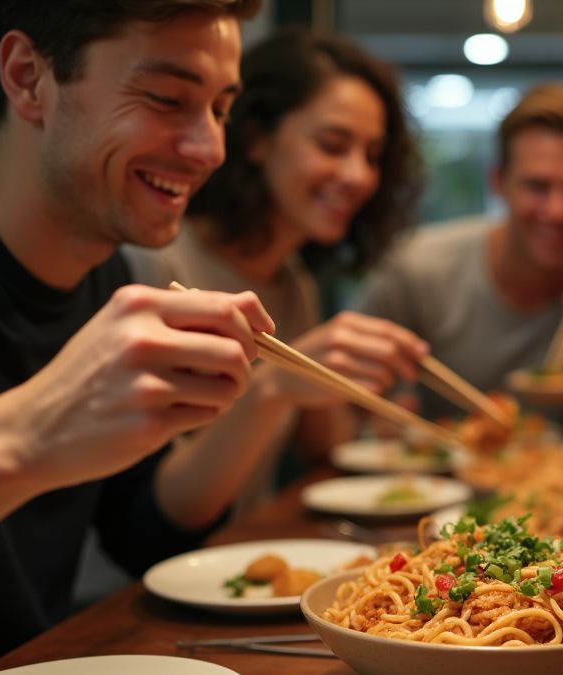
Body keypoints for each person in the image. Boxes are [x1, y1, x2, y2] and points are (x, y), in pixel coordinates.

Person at [0, 1, 277, 670]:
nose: (211, 149)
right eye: (168, 98)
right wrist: (25, 435)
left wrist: (266, 392)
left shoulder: (111, 277)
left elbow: (144, 533)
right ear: (26, 77)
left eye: (221, 109)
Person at [123, 28, 426, 512]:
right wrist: (274, 386)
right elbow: (159, 514)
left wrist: (381, 420)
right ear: (257, 138)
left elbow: (323, 445)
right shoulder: (158, 266)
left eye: (372, 156)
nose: (359, 176)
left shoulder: (291, 282)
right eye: (333, 145)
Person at [357, 83, 563, 435]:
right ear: (499, 182)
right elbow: (350, 400)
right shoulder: (416, 270)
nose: (557, 211)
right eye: (537, 187)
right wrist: (382, 415)